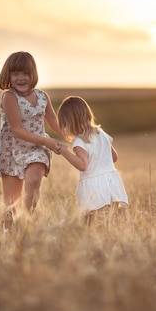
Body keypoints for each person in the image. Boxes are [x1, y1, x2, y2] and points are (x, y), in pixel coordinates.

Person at [0, 51, 64, 230]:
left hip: (37, 148)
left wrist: (75, 136)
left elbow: (54, 122)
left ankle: (26, 223)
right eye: (16, 74)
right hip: (11, 151)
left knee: (33, 180)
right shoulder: (9, 97)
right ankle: (9, 233)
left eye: (25, 73)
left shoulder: (43, 97)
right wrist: (48, 142)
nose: (21, 78)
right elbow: (17, 130)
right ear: (8, 75)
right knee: (11, 204)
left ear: (33, 74)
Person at [56, 96, 128, 224]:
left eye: (66, 125)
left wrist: (64, 151)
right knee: (109, 222)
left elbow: (83, 165)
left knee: (92, 224)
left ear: (71, 122)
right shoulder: (101, 133)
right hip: (111, 184)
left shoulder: (79, 141)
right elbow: (114, 157)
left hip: (94, 188)